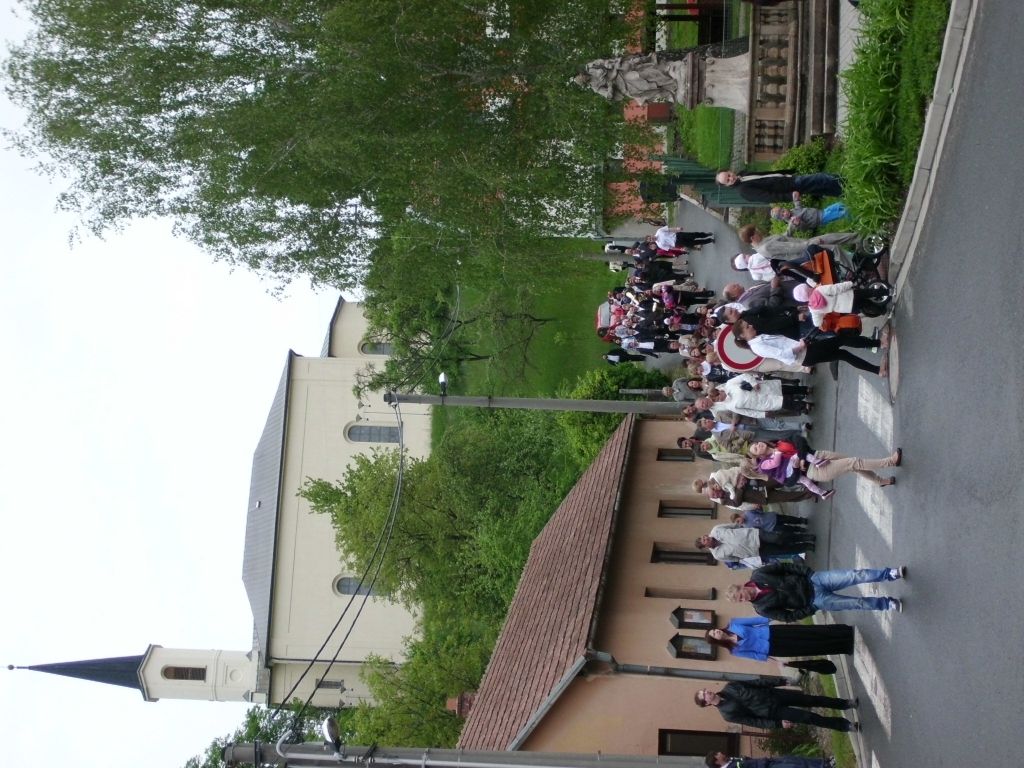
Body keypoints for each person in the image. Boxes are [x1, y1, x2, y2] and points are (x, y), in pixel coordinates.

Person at [726, 560, 907, 619]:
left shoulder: (758, 575)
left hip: (813, 580)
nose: (744, 599)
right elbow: (788, 617)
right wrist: (810, 609)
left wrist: (807, 573)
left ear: (741, 587)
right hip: (815, 601)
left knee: (854, 575)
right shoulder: (761, 609)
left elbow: (784, 567)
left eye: (740, 595)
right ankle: (887, 604)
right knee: (856, 603)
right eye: (740, 601)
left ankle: (889, 574)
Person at [735, 321, 886, 377]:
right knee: (843, 340)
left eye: (748, 324)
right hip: (805, 354)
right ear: (742, 336)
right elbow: (781, 354)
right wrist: (799, 346)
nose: (751, 326)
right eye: (747, 327)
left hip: (806, 353)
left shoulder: (758, 339)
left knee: (843, 354)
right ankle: (879, 344)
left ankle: (878, 370)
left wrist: (800, 344)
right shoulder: (757, 346)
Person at [695, 681, 859, 733]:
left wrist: (779, 681)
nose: (707, 692)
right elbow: (754, 722)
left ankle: (845, 703)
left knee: (812, 699)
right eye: (704, 695)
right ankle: (846, 725)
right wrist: (778, 724)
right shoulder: (727, 714)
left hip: (775, 695)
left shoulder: (730, 686)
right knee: (809, 717)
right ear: (707, 703)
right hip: (774, 712)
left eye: (705, 690)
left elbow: (756, 683)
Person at [705, 617, 854, 661]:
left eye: (714, 630)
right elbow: (754, 656)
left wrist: (773, 617)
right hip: (774, 648)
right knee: (808, 647)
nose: (717, 631)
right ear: (716, 641)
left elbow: (755, 620)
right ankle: (843, 646)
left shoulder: (733, 624)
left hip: (774, 632)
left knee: (809, 633)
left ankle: (843, 632)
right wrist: (773, 660)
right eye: (714, 634)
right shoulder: (734, 651)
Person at [696, 524, 815, 563]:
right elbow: (735, 559)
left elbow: (734, 526)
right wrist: (744, 553)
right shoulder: (717, 555)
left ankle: (805, 537)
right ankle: (806, 546)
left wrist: (746, 530)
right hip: (755, 550)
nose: (706, 537)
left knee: (780, 538)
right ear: (705, 547)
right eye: (704, 540)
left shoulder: (716, 529)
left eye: (704, 537)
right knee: (783, 550)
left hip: (754, 535)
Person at [715, 170, 844, 203]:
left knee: (817, 188)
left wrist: (786, 172)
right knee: (820, 178)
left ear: (730, 171)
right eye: (728, 180)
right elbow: (768, 197)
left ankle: (843, 191)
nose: (731, 178)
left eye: (729, 175)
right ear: (727, 185)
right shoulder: (744, 191)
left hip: (787, 179)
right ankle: (846, 181)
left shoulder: (743, 175)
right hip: (789, 187)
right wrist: (789, 196)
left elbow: (766, 174)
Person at [706, 751, 836, 768]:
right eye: (717, 754)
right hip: (767, 767)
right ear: (716, 761)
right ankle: (826, 766)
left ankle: (823, 762)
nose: (720, 752)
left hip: (768, 761)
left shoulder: (731, 759)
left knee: (794, 759)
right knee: (794, 766)